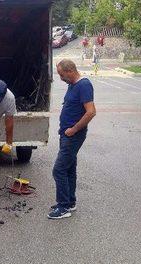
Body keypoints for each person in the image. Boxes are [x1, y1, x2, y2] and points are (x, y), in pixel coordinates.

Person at [48, 59, 96, 220]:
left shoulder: (84, 85)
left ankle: (63, 207)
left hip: (73, 135)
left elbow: (91, 112)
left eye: (62, 75)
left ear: (70, 71)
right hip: (67, 134)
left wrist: (74, 129)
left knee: (59, 170)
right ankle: (70, 202)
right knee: (69, 169)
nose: (60, 78)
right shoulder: (73, 85)